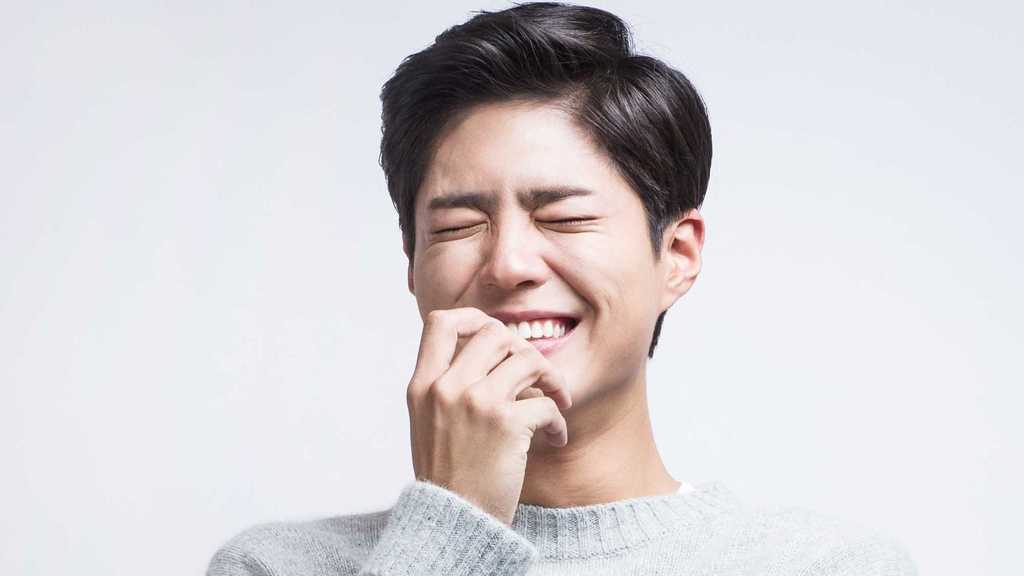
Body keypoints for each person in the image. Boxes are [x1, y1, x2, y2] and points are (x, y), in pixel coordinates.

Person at [207, 2, 918, 574]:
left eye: (565, 217)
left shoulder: (829, 566)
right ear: (412, 263)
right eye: (459, 226)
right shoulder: (277, 565)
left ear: (677, 254)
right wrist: (452, 526)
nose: (509, 263)